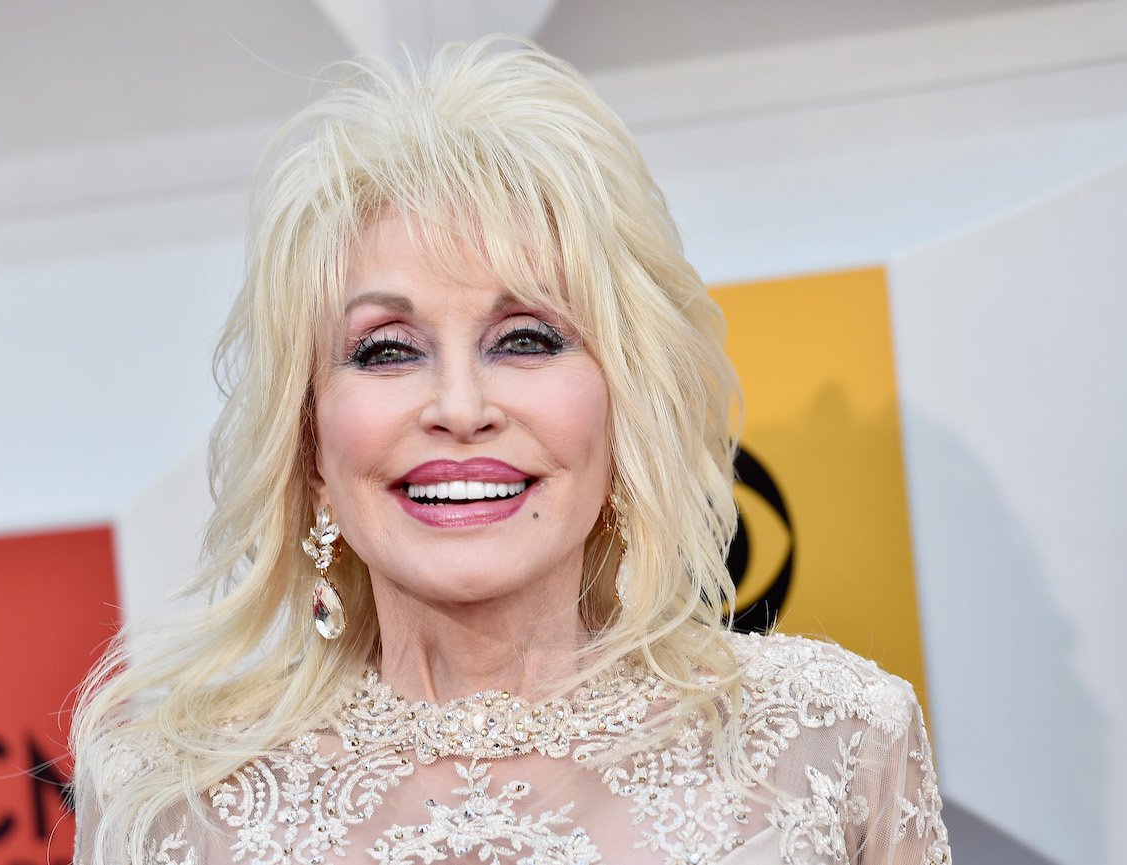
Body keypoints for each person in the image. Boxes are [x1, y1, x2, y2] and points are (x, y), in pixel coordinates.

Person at [71, 37, 950, 864]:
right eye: (386, 348)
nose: (459, 406)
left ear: (623, 406)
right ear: (307, 446)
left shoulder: (833, 742)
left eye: (526, 338)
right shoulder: (172, 795)